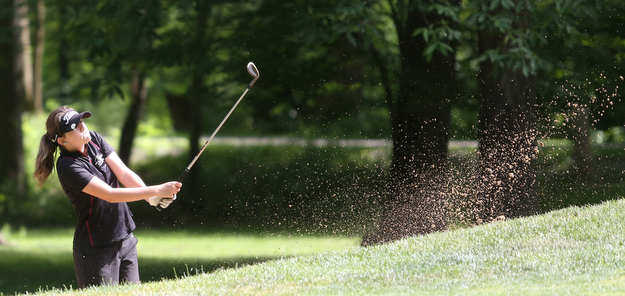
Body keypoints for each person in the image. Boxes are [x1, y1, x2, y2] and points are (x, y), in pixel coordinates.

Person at [33, 106, 182, 288]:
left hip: (125, 237)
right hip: (96, 248)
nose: (82, 126)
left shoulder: (94, 139)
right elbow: (110, 195)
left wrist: (149, 198)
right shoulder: (67, 166)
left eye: (81, 121)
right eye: (75, 126)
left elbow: (124, 173)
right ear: (62, 140)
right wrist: (156, 190)